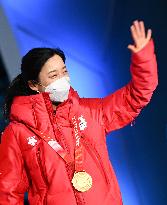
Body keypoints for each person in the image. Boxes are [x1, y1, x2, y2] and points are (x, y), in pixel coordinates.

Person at [0, 20, 158, 205]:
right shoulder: (17, 133)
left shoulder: (90, 112)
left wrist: (143, 57)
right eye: (53, 75)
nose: (63, 79)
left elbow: (136, 96)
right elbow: (9, 192)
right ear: (34, 85)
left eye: (64, 71)